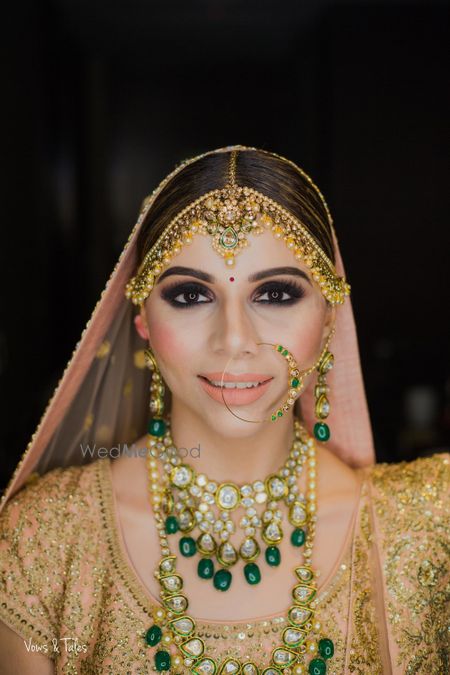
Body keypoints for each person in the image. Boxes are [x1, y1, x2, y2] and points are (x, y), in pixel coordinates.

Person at [0, 146, 448, 675]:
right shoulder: (47, 536)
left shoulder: (423, 529)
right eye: (191, 295)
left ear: (329, 314)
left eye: (276, 293)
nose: (235, 340)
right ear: (141, 314)